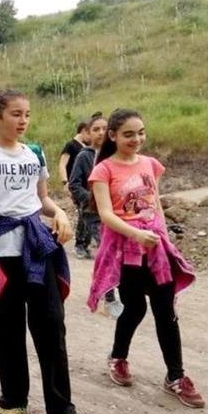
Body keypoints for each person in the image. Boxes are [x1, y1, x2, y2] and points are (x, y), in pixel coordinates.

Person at [0, 88, 87, 414]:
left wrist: (60, 214)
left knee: (52, 326)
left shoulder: (35, 154)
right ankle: (12, 401)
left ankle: (62, 411)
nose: (23, 120)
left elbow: (41, 199)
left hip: (37, 250)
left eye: (26, 114)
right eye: (15, 114)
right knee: (8, 331)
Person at [87, 109, 203, 408]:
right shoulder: (103, 170)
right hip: (126, 251)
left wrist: (162, 237)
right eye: (128, 134)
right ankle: (118, 357)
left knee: (166, 311)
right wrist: (136, 235)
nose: (136, 139)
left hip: (156, 248)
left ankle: (176, 377)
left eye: (141, 132)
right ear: (112, 136)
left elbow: (156, 205)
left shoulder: (150, 164)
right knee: (135, 307)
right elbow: (106, 214)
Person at [69, 113, 124, 318]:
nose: (101, 132)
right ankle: (109, 297)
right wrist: (93, 201)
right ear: (88, 133)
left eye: (104, 128)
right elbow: (75, 184)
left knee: (122, 253)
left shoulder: (116, 155)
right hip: (94, 214)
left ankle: (121, 290)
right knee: (107, 251)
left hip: (118, 213)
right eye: (96, 129)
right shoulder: (85, 156)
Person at [60, 120, 92, 258]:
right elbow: (62, 164)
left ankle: (86, 244)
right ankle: (80, 245)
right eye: (91, 133)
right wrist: (65, 182)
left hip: (88, 186)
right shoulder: (71, 145)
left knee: (89, 214)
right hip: (76, 185)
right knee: (83, 213)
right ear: (84, 131)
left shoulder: (87, 148)